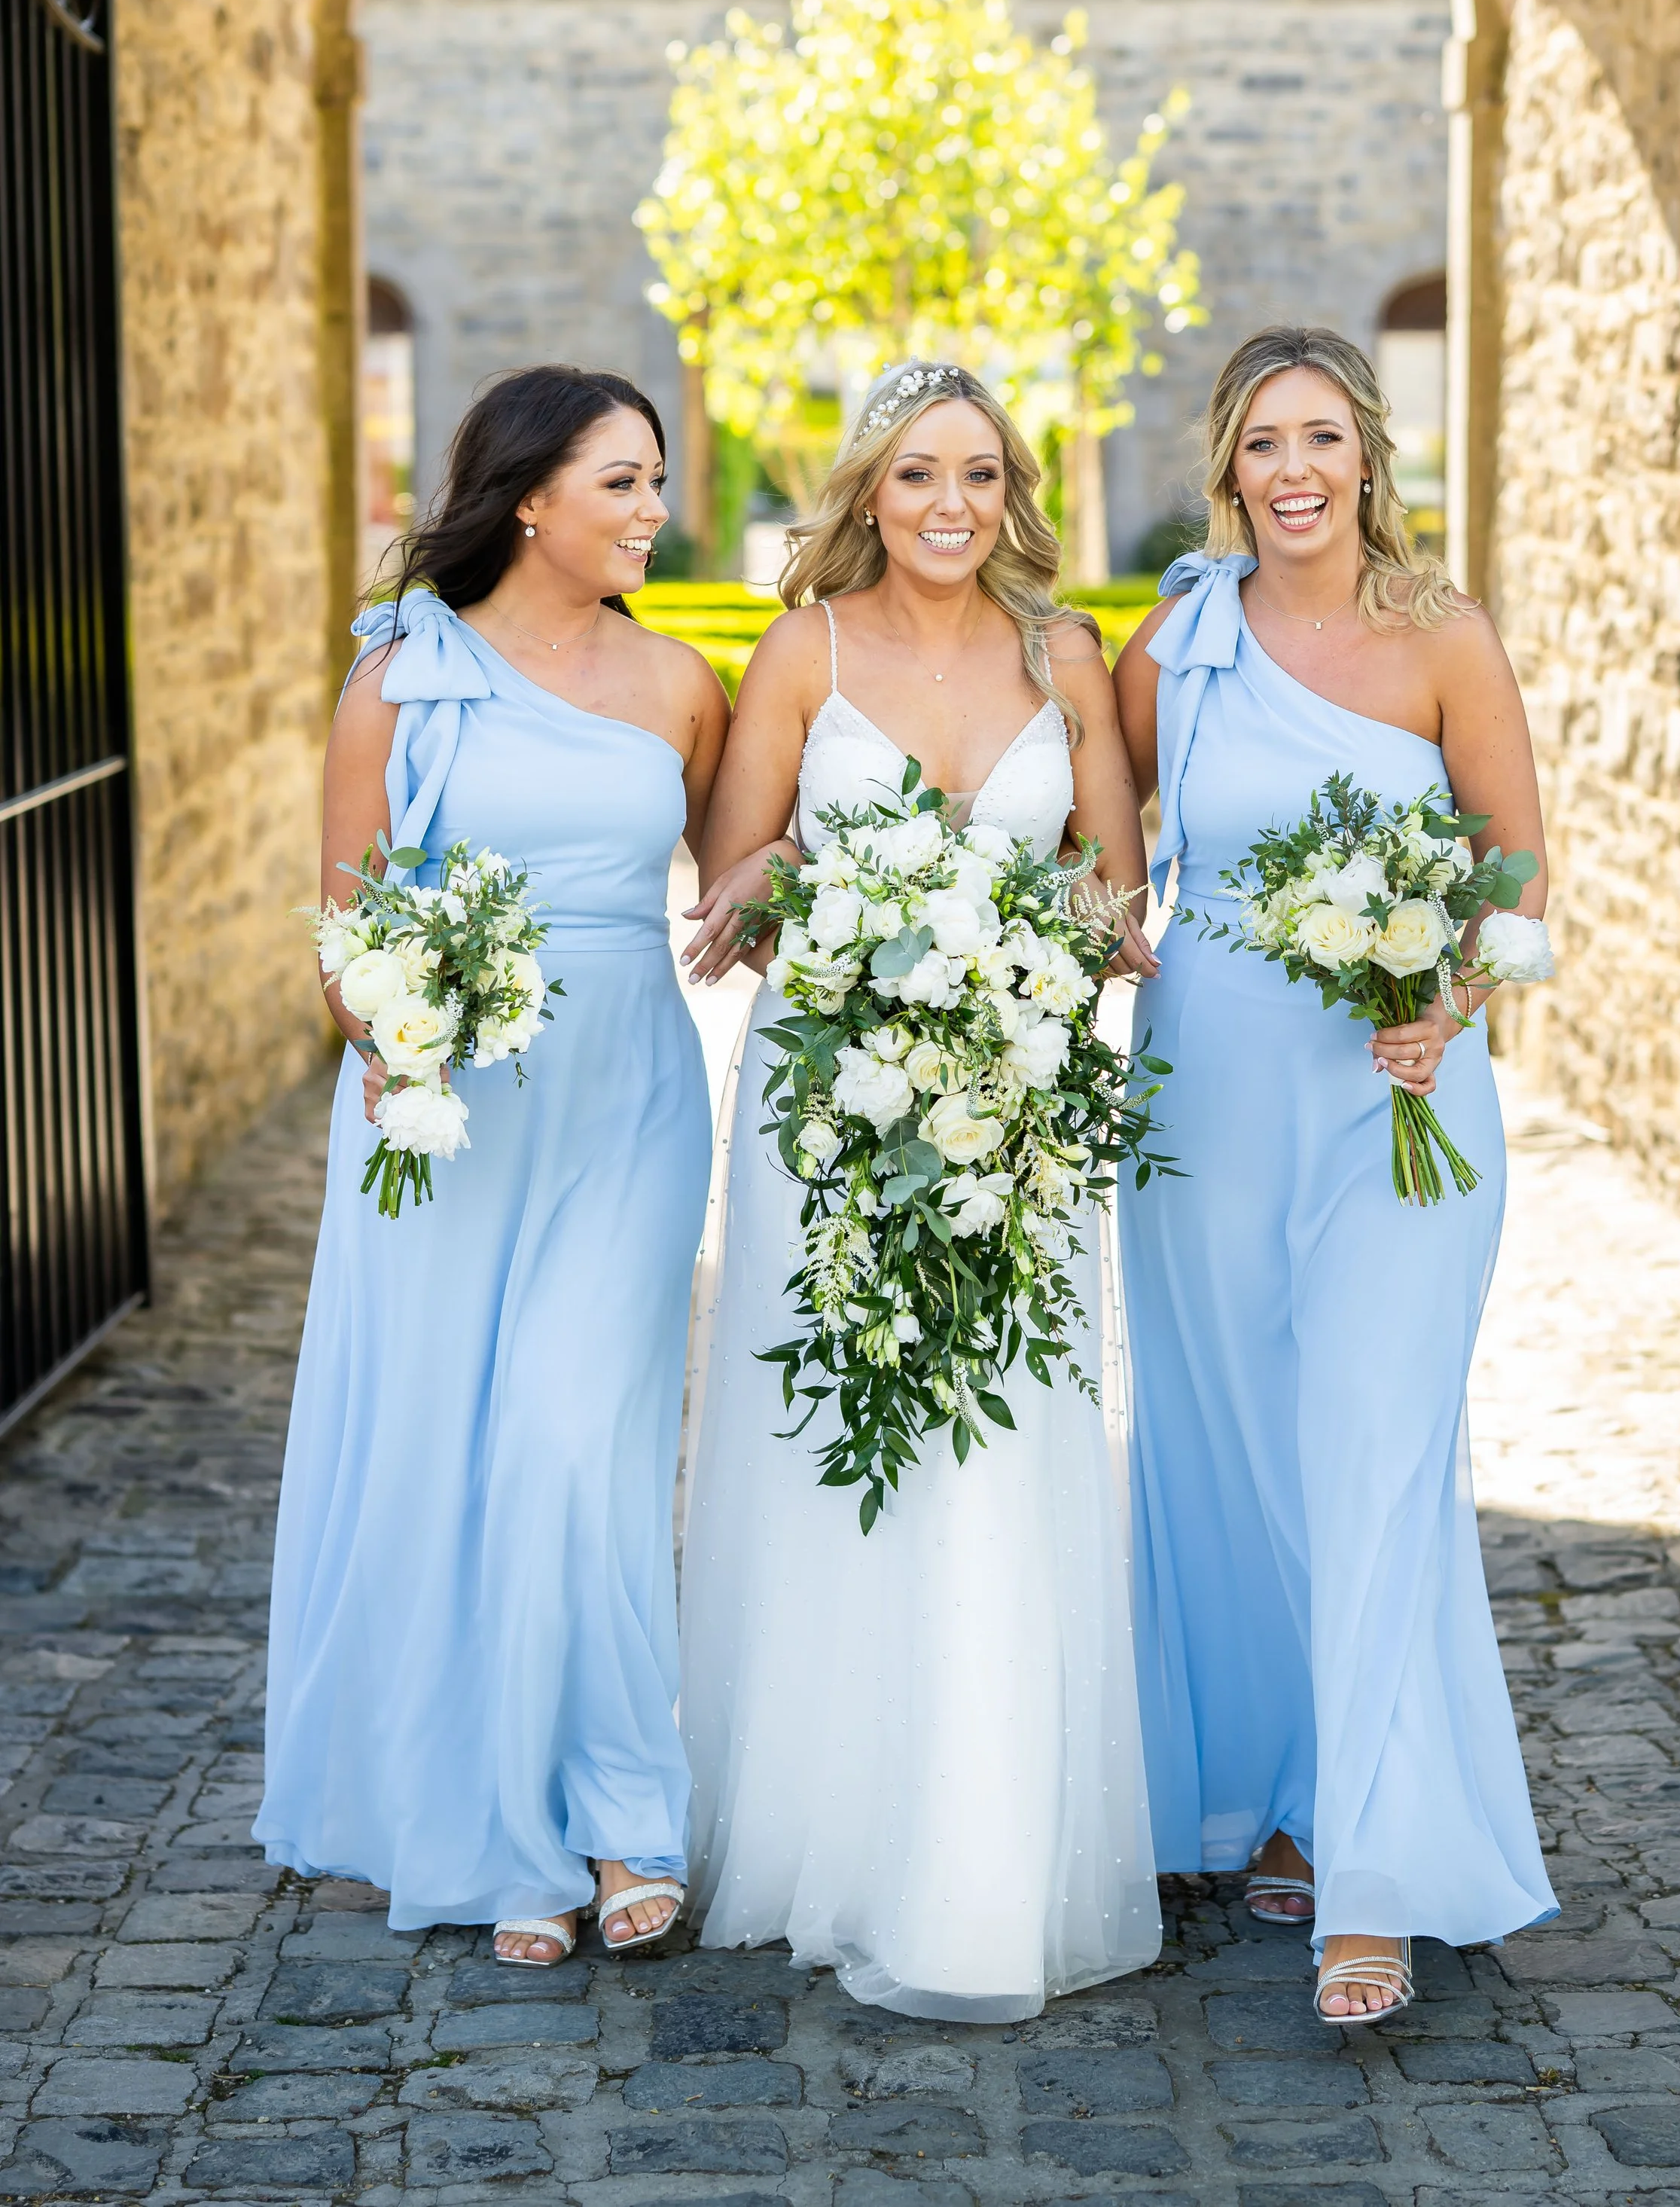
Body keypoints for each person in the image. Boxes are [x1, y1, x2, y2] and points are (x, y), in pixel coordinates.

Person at [676, 361, 1163, 2021]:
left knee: (996, 1454)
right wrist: (814, 881)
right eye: (910, 477)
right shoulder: (800, 654)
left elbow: (1111, 890)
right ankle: (834, 1830)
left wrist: (1032, 952)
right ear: (865, 494)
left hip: (1015, 1097)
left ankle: (984, 1852)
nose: (945, 505)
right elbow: (733, 891)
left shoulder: (1066, 655)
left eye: (973, 474)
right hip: (832, 1101)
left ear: (1009, 488)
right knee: (837, 1450)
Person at [1112, 325, 1557, 2028]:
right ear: (1224, 468)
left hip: (1396, 1102)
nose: (1288, 471)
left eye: (1318, 437)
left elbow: (1512, 869)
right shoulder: (1182, 635)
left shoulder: (1441, 635)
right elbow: (1084, 820)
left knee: (1374, 1455)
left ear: (1367, 453)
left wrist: (1445, 996)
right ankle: (1278, 1793)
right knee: (1229, 1448)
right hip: (1206, 1089)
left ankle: (1368, 1873)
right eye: (1256, 444)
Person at [255, 366, 728, 1965]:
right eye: (623, 482)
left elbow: (747, 884)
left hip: (630, 1105)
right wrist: (397, 1027)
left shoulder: (681, 686)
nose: (653, 510)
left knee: (571, 1442)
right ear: (528, 496)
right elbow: (343, 930)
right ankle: (499, 1821)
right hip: (445, 1108)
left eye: (655, 481)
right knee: (449, 1447)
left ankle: (620, 1810)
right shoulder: (399, 681)